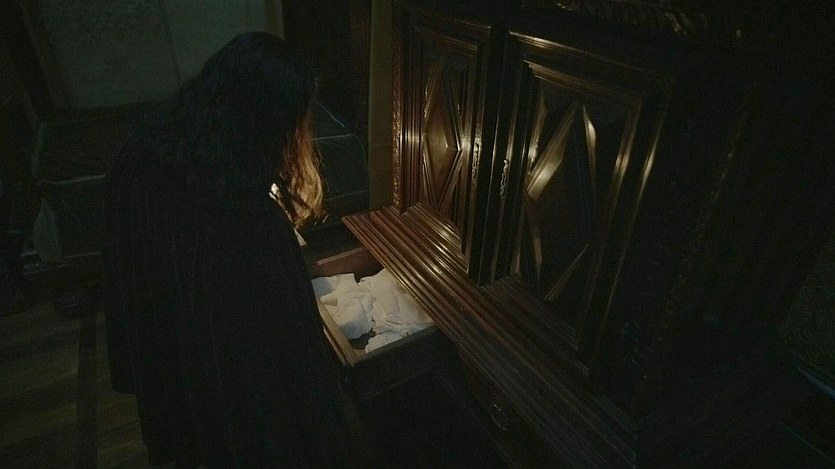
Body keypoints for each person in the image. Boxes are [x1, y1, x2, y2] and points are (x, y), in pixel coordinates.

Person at [100, 32, 352, 468]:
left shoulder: (138, 159)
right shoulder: (244, 221)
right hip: (234, 403)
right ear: (270, 123)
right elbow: (291, 360)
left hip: (171, 361)